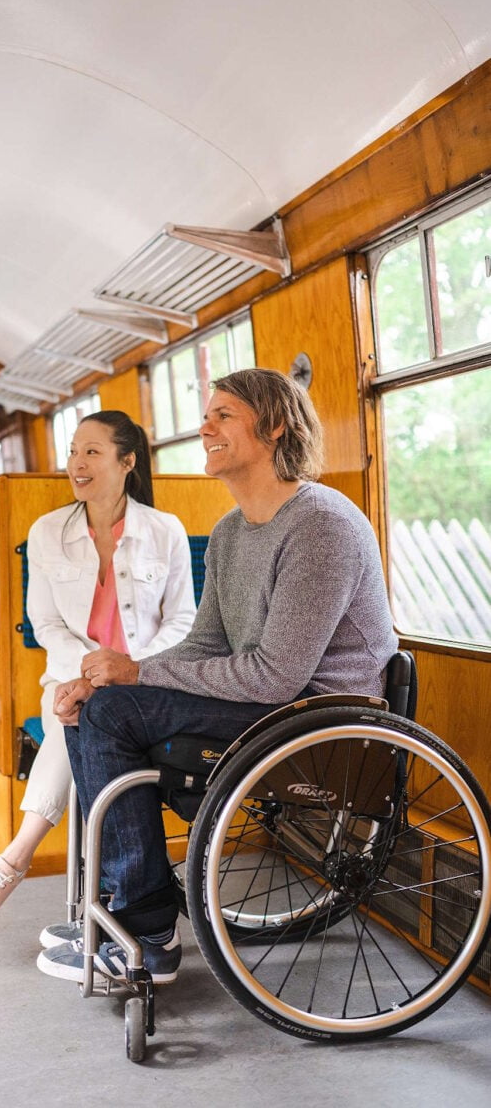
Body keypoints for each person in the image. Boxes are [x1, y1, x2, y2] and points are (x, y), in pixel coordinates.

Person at [37, 368, 398, 986]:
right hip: (270, 701)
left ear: (276, 425)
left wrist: (134, 675)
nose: (205, 426)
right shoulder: (230, 532)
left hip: (320, 713)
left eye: (223, 415)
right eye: (208, 414)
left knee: (110, 712)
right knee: (97, 703)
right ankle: (134, 912)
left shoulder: (320, 524)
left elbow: (277, 676)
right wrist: (117, 677)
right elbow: (206, 644)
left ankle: (144, 927)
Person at [0, 410, 197, 927]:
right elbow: (44, 624)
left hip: (146, 684)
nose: (76, 464)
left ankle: (16, 857)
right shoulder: (45, 532)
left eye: (92, 452)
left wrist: (127, 667)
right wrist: (87, 675)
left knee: (89, 711)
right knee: (76, 709)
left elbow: (184, 623)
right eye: (73, 451)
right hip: (68, 679)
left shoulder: (165, 530)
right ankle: (31, 861)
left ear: (127, 461)